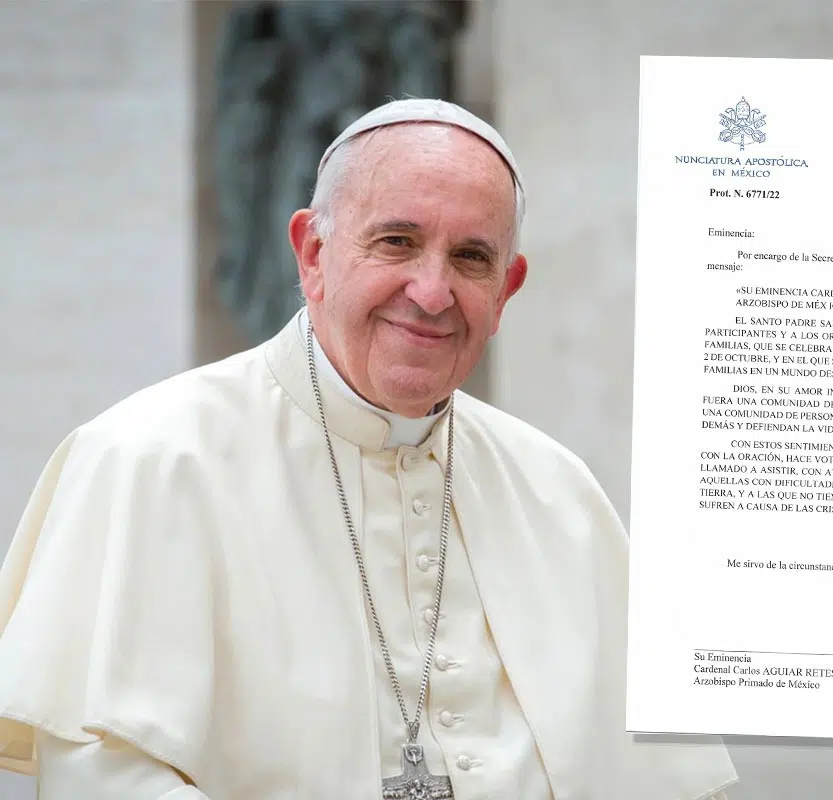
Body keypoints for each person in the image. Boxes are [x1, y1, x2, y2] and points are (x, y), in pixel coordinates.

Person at [0, 98, 738, 799]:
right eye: (397, 242)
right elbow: (105, 781)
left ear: (506, 291)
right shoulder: (149, 459)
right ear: (313, 253)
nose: (432, 292)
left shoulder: (557, 490)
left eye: (471, 258)